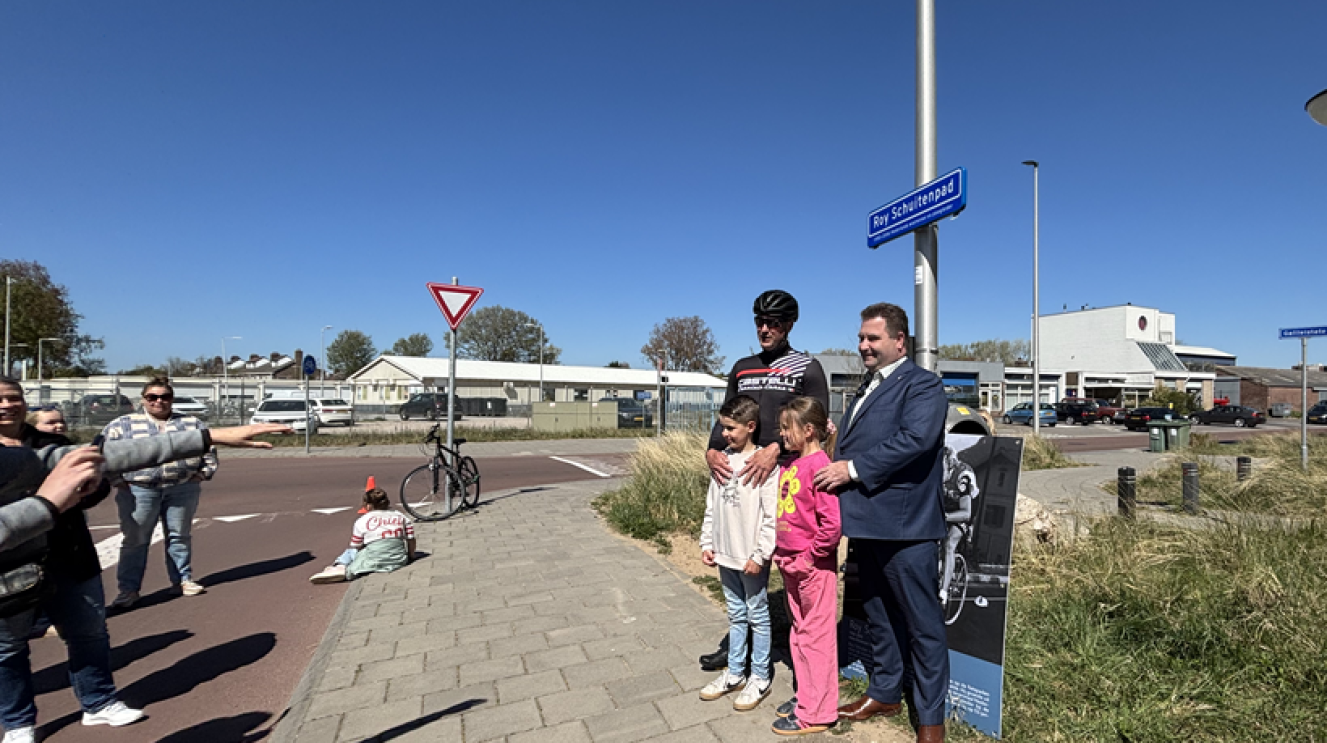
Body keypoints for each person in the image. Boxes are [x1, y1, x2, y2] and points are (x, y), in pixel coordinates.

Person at [0, 377, 290, 743]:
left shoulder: (41, 448)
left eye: (12, 397)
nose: (7, 406)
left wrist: (208, 437)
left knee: (89, 633)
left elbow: (105, 458)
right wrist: (48, 504)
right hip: (11, 570)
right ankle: (18, 723)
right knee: (8, 648)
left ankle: (99, 702)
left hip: (70, 556)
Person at [812, 303, 950, 743]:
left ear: (899, 341)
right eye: (861, 338)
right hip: (865, 523)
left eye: (873, 338)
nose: (863, 346)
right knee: (878, 615)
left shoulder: (923, 384)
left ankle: (931, 720)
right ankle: (885, 692)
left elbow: (916, 439)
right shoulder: (867, 386)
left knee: (923, 625)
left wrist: (850, 469)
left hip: (905, 528)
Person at [700, 289, 829, 674]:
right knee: (739, 564)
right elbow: (727, 417)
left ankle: (796, 650)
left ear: (790, 325)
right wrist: (711, 451)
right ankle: (737, 648)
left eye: (773, 323)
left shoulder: (807, 368)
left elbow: (817, 425)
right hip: (743, 483)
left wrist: (775, 448)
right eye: (760, 322)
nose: (765, 329)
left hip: (787, 481)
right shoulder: (742, 367)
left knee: (789, 569)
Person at [103, 378, 217, 609]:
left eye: (165, 397)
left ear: (172, 399)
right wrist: (117, 481)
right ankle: (128, 590)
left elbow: (210, 450)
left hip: (182, 488)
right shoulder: (122, 425)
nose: (159, 401)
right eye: (152, 397)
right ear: (143, 400)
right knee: (136, 540)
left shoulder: (191, 423)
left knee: (179, 535)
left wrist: (202, 474)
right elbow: (103, 454)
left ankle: (182, 580)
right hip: (138, 490)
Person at [697, 395, 778, 712]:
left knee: (757, 615)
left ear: (751, 426)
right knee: (735, 614)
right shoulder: (721, 460)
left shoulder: (764, 465)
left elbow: (771, 517)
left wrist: (760, 555)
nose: (725, 434)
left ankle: (760, 675)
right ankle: (734, 671)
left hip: (750, 558)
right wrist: (707, 542)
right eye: (722, 427)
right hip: (724, 554)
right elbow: (711, 506)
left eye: (731, 428)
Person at [769, 397, 841, 736]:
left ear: (808, 430)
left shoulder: (820, 466)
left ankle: (818, 712)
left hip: (812, 568)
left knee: (817, 638)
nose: (782, 434)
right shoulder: (794, 464)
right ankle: (807, 697)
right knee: (799, 633)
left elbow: (832, 525)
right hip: (791, 565)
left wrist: (809, 558)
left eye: (787, 428)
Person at [309, 479, 416, 584]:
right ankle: (341, 567)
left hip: (375, 559)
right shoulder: (400, 516)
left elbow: (356, 545)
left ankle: (339, 566)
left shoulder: (362, 521)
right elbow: (411, 539)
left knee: (351, 551)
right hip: (399, 560)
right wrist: (410, 555)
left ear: (368, 506)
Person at [939, 446, 977, 606]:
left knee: (949, 543)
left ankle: (943, 592)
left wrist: (945, 517)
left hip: (963, 512)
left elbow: (966, 513)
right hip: (945, 508)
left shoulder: (962, 476)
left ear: (949, 464)